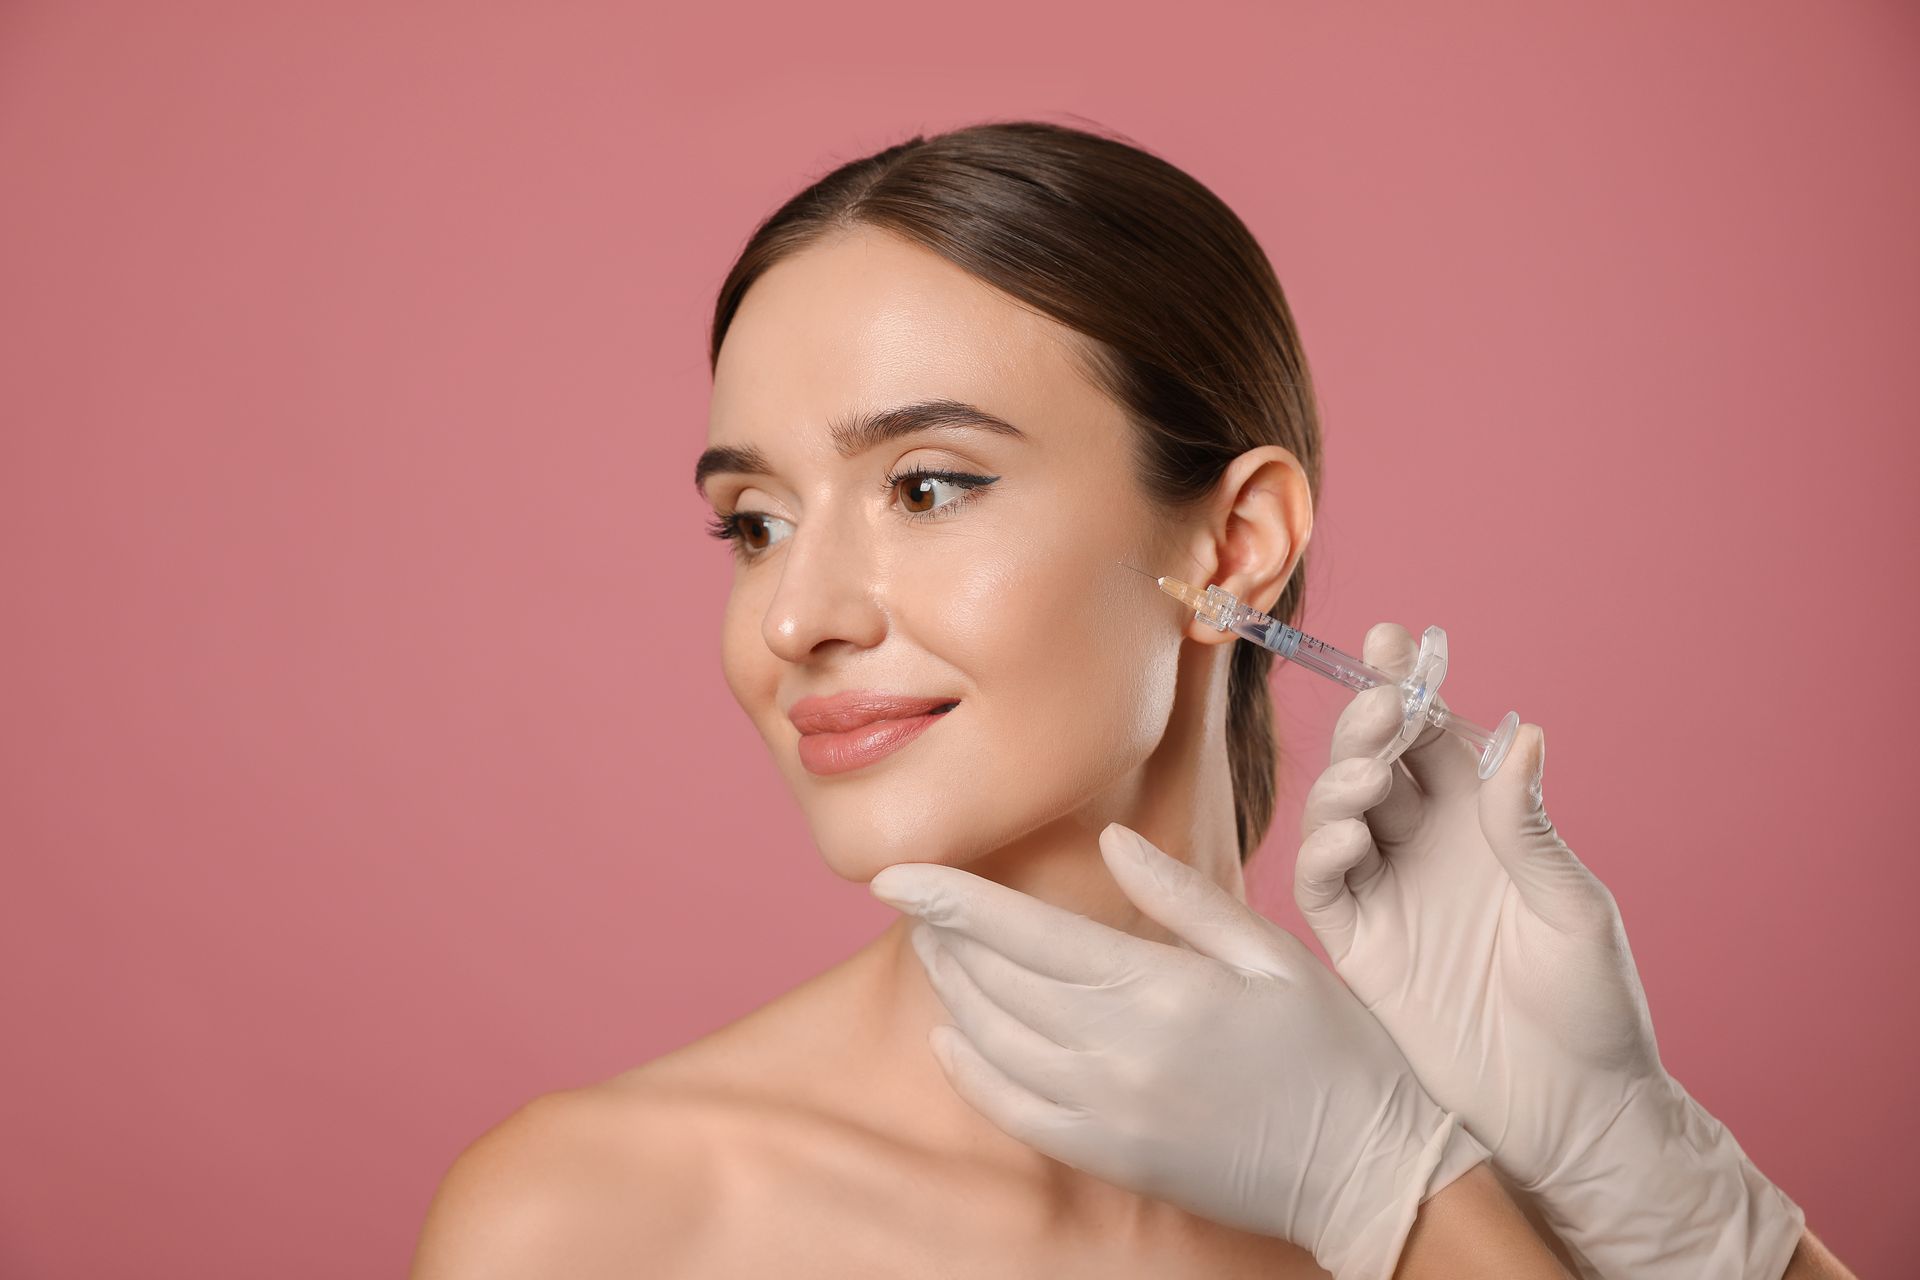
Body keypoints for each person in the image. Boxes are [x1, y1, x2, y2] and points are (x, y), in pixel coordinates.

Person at [406, 120, 1833, 1277]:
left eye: (927, 486)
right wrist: (1398, 1199)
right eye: (756, 522)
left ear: (1235, 545)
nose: (795, 618)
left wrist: (1659, 1193)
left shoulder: (1470, 1193)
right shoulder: (599, 1225)